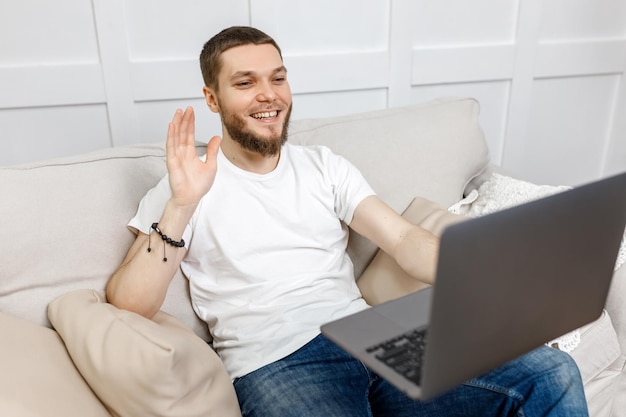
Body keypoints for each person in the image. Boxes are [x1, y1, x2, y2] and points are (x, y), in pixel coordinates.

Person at [106, 26, 589, 416]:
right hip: (275, 363)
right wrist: (182, 204)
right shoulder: (185, 185)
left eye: (278, 77)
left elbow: (403, 239)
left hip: (374, 334)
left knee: (548, 373)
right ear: (212, 99)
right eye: (245, 82)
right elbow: (128, 302)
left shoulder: (323, 166)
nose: (268, 95)